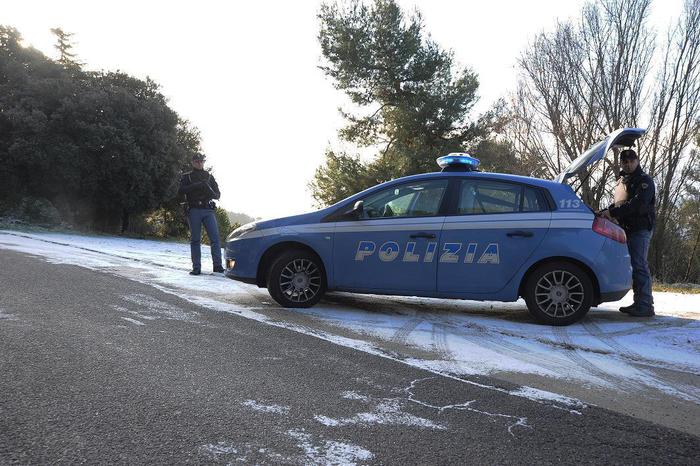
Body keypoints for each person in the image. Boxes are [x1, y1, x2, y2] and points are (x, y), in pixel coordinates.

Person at [599, 149, 656, 317]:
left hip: (640, 229)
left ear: (637, 161)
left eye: (631, 161)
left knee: (639, 265)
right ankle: (638, 303)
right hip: (626, 229)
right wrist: (605, 211)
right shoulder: (623, 181)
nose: (628, 164)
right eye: (625, 161)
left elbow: (637, 205)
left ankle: (645, 305)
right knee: (633, 267)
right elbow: (619, 204)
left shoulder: (644, 181)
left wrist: (613, 213)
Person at [178, 153, 224, 275]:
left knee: (215, 239)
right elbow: (181, 190)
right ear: (193, 162)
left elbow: (218, 195)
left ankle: (218, 266)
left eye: (201, 161)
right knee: (195, 240)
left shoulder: (209, 177)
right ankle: (196, 267)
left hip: (208, 209)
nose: (199, 163)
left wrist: (209, 189)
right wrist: (196, 186)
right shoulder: (187, 177)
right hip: (194, 209)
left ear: (203, 162)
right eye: (197, 161)